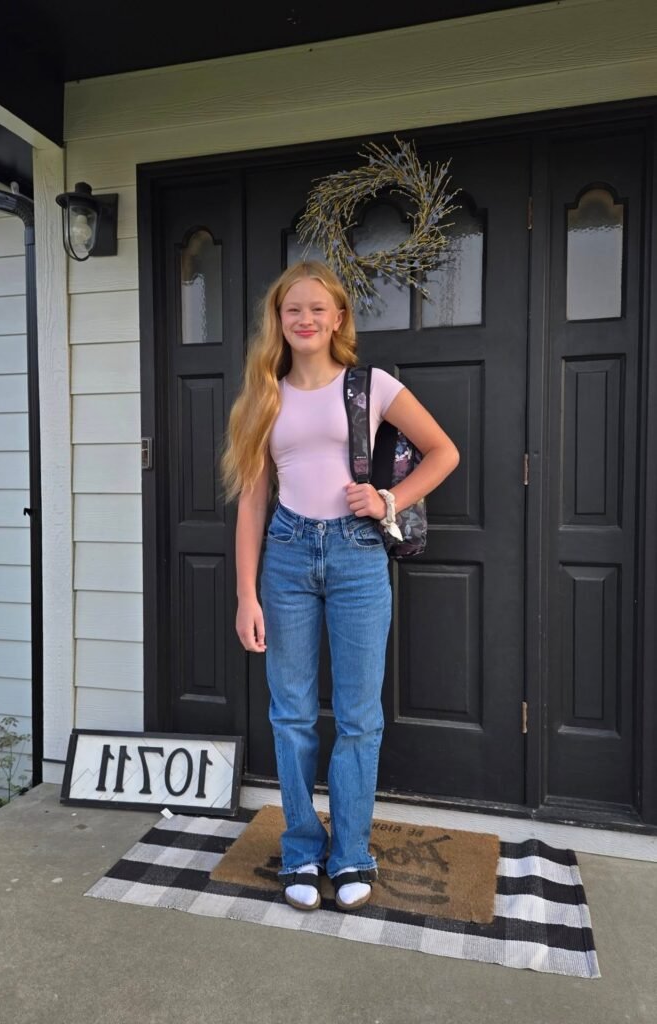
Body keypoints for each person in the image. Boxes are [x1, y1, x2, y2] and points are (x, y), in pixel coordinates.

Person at [220, 260, 459, 912]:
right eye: (292, 309)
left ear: (337, 319)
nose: (304, 319)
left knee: (358, 718)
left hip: (357, 558)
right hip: (287, 558)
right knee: (292, 715)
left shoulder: (370, 385)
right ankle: (301, 849)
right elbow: (251, 502)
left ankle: (351, 853)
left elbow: (443, 451)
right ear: (278, 320)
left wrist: (387, 500)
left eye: (316, 309)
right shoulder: (263, 395)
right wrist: (246, 595)